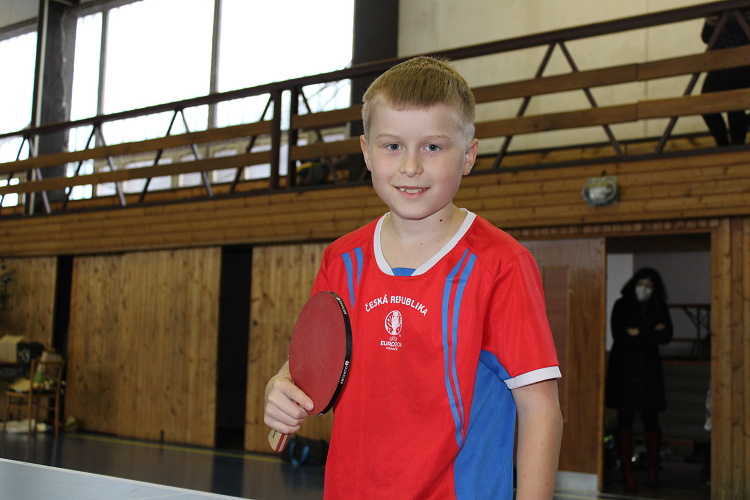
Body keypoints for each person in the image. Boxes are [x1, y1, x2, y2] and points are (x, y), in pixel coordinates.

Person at [264, 56, 563, 499]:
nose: (410, 166)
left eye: (433, 147)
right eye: (392, 146)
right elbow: (315, 363)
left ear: (468, 156)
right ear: (366, 152)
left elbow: (540, 409)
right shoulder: (341, 260)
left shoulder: (500, 265)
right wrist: (281, 387)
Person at [605, 267, 673, 491]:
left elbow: (667, 335)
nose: (644, 289)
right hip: (625, 371)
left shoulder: (659, 306)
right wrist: (652, 331)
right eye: (641, 284)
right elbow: (621, 336)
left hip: (649, 371)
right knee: (625, 418)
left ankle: (653, 471)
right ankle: (627, 474)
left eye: (649, 286)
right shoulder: (622, 305)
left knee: (651, 418)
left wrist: (639, 332)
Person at [700, 9, 750, 146]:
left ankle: (736, 145)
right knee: (705, 102)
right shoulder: (719, 9)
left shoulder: (743, 8)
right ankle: (724, 145)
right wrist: (710, 23)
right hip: (720, 64)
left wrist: (728, 20)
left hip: (742, 61)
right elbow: (706, 38)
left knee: (732, 99)